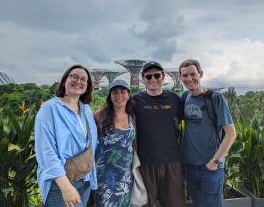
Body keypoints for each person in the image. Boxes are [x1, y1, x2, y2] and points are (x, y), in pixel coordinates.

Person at [34, 64, 98, 207]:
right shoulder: (50, 109)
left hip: (85, 179)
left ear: (87, 86)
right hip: (61, 182)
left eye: (83, 79)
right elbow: (45, 151)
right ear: (64, 81)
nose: (78, 81)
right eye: (74, 77)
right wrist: (65, 186)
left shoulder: (86, 110)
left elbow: (92, 143)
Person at [179, 59, 237, 207]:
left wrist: (215, 162)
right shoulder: (184, 97)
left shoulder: (215, 98)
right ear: (181, 78)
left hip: (210, 166)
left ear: (201, 74)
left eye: (193, 74)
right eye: (185, 75)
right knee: (198, 203)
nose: (189, 79)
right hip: (190, 164)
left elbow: (231, 133)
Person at [132, 61, 184, 207]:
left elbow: (188, 123)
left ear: (163, 76)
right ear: (143, 79)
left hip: (171, 161)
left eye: (157, 75)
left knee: (174, 203)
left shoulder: (174, 99)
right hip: (145, 163)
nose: (153, 79)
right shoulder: (136, 100)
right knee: (145, 203)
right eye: (149, 76)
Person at [94, 79, 135, 207]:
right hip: (103, 174)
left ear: (128, 95)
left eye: (123, 92)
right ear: (110, 96)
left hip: (125, 176)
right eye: (115, 92)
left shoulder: (133, 116)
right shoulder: (99, 116)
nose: (119, 96)